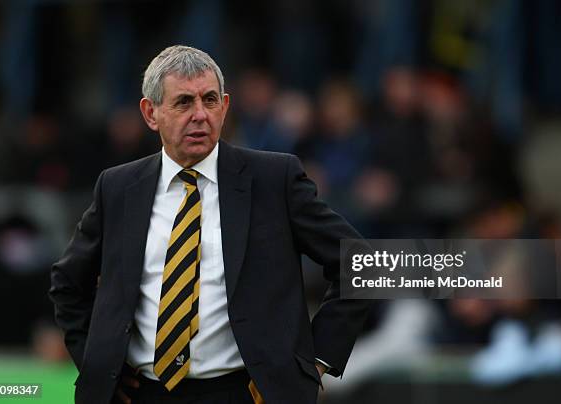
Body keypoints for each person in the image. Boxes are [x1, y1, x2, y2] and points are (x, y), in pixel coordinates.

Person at [49, 45, 369, 404]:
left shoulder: (273, 178)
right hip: (140, 393)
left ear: (225, 106)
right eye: (184, 102)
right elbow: (67, 283)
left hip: (241, 393)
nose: (200, 115)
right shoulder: (118, 186)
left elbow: (362, 263)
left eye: (210, 100)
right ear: (150, 113)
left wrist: (315, 360)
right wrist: (100, 364)